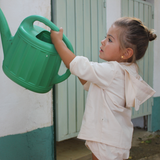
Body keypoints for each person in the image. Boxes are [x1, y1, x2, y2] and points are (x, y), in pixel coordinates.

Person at [50, 17, 157, 160]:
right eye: (105, 37)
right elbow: (88, 81)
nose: (103, 41)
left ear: (126, 53)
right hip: (117, 139)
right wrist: (77, 68)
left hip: (106, 139)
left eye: (110, 40)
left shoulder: (112, 71)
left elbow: (79, 66)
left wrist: (58, 42)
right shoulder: (127, 70)